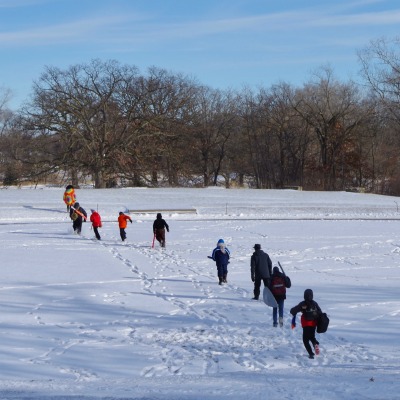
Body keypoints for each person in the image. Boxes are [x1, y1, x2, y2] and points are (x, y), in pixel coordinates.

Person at [290, 289, 322, 359]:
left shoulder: (303, 304)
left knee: (305, 340)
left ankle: (311, 354)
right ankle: (315, 344)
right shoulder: (315, 303)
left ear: (304, 295)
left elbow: (293, 310)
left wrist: (293, 312)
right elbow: (320, 312)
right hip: (313, 323)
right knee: (312, 337)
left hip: (306, 323)